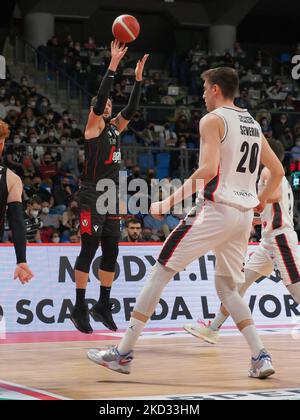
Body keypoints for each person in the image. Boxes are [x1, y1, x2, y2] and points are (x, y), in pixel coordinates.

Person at [87, 67, 284, 379]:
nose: (203, 94)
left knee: (160, 270)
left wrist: (167, 202)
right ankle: (260, 356)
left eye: (206, 88)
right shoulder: (252, 123)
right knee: (227, 288)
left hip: (216, 210)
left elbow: (207, 171)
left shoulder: (213, 119)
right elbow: (278, 170)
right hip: (243, 217)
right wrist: (262, 199)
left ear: (217, 89)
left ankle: (122, 353)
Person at [184, 140, 300, 343]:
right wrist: (252, 217)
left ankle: (213, 328)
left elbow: (274, 195)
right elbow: (269, 208)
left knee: (296, 287)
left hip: (280, 237)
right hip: (268, 241)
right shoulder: (275, 175)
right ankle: (213, 328)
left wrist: (250, 199)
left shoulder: (267, 172)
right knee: (237, 287)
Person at [70, 40, 149, 334]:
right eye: (104, 104)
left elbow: (132, 107)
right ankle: (79, 307)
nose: (109, 106)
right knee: (89, 247)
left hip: (113, 194)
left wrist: (138, 79)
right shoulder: (92, 127)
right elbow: (103, 95)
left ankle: (103, 303)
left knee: (112, 250)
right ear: (96, 108)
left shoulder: (115, 127)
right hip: (92, 191)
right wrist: (113, 64)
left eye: (110, 105)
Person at [0, 120, 33, 283]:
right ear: (2, 145)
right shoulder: (11, 179)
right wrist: (21, 260)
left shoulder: (11, 179)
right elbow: (17, 221)